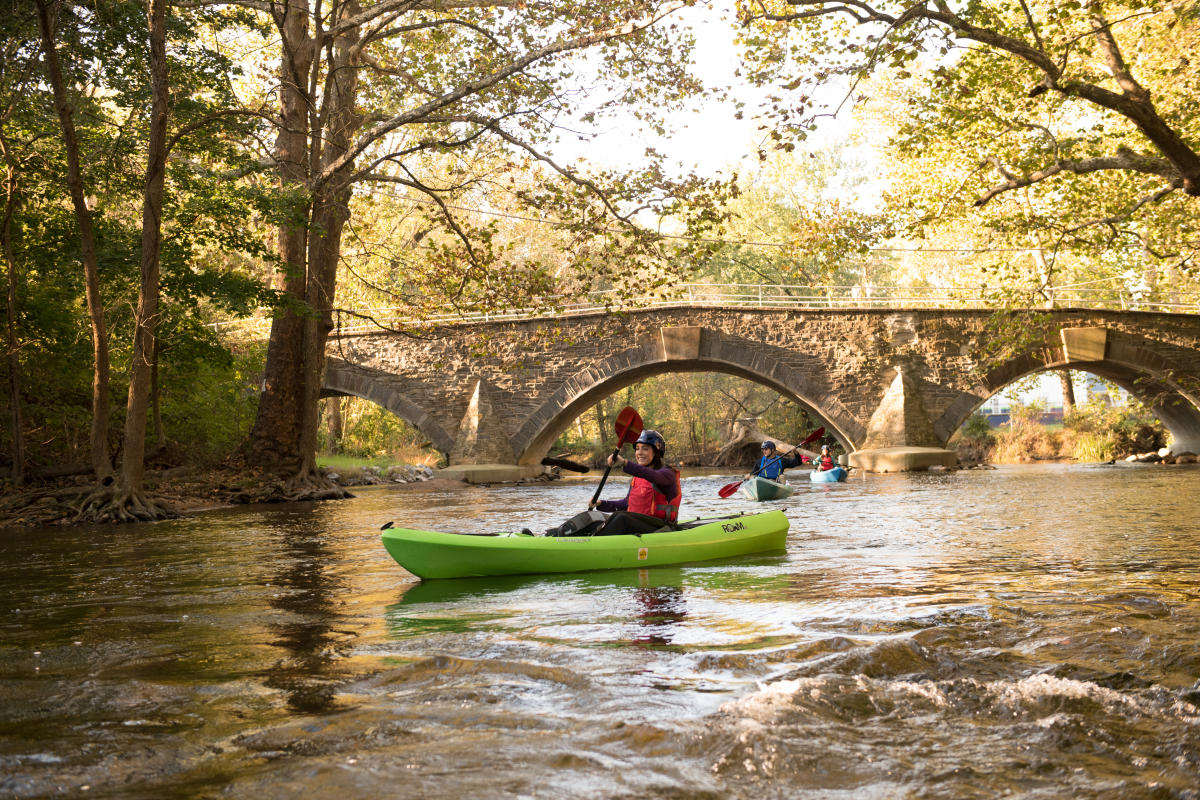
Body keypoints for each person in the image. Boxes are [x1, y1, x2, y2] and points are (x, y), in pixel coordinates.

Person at [586, 429, 682, 536]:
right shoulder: (638, 477)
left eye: (645, 449)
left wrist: (624, 463)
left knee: (622, 517)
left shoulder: (667, 474)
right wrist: (601, 503)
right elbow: (627, 504)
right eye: (637, 449)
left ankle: (594, 542)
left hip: (661, 527)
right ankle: (590, 537)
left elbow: (653, 476)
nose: (639, 453)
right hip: (639, 524)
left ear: (656, 452)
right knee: (601, 520)